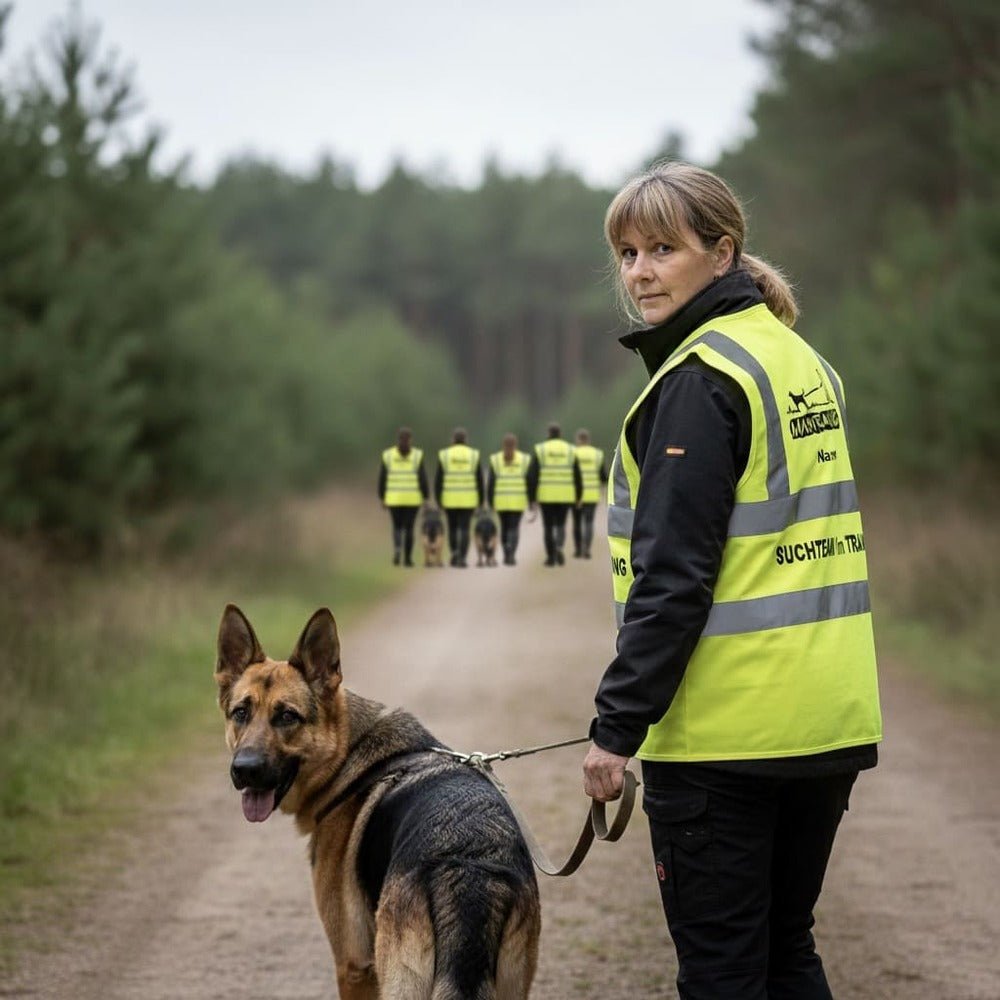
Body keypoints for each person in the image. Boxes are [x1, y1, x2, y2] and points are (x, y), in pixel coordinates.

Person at [582, 162, 882, 1000]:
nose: (639, 272)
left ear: (723, 255)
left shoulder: (699, 382)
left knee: (723, 974)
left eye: (662, 250)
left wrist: (616, 728)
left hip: (729, 736)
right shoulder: (800, 360)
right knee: (787, 955)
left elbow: (673, 580)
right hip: (825, 718)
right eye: (628, 253)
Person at [526, 422, 581, 566]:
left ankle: (551, 557)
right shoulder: (570, 450)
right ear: (560, 434)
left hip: (546, 496)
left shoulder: (540, 450)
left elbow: (531, 476)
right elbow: (577, 475)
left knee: (548, 526)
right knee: (561, 524)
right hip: (566, 495)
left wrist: (531, 499)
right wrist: (579, 495)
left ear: (548, 434)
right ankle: (558, 546)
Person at [378, 426, 428, 567]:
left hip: (394, 498)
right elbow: (422, 478)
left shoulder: (387, 455)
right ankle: (407, 559)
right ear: (411, 440)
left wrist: (382, 497)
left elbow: (382, 478)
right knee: (409, 528)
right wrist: (425, 497)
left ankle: (397, 549)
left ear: (398, 439)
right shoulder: (417, 455)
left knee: (397, 526)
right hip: (412, 498)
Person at [434, 427, 483, 568]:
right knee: (465, 528)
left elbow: (439, 480)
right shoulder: (473, 455)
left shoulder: (445, 455)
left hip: (449, 498)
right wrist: (480, 501)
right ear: (466, 440)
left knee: (453, 528)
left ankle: (454, 553)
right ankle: (462, 557)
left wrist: (438, 500)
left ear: (453, 440)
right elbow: (479, 480)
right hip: (468, 499)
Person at [486, 432, 533, 566]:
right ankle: (511, 554)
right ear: (516, 444)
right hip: (518, 500)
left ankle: (506, 552)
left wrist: (490, 501)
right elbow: (529, 482)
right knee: (514, 527)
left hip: (500, 500)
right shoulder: (524, 459)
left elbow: (491, 483)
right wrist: (531, 501)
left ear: (503, 445)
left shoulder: (495, 459)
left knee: (504, 527)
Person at [570, 428, 607, 559]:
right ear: (588, 440)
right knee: (589, 522)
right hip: (592, 494)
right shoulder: (597, 454)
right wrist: (603, 492)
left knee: (577, 522)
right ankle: (587, 548)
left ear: (578, 440)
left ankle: (578, 549)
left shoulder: (572, 453)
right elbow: (603, 476)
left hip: (575, 495)